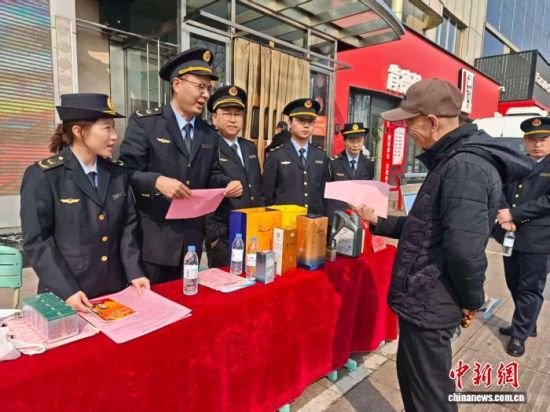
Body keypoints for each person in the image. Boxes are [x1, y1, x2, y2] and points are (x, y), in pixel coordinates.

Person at [354, 79, 531, 411]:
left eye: (410, 123)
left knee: (430, 399)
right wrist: (380, 221)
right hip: (426, 300)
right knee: (417, 387)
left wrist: (471, 301)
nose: (408, 132)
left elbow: (464, 251)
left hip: (431, 302)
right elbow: (426, 227)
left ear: (432, 122)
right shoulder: (453, 161)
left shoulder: (465, 167)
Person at [119, 48, 243, 284]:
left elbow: (212, 174)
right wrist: (156, 181)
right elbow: (124, 172)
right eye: (200, 87)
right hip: (154, 243)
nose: (206, 95)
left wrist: (228, 184)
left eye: (209, 89)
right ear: (177, 84)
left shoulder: (208, 133)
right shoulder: (147, 124)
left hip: (192, 243)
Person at [20, 93, 150, 312]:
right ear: (78, 131)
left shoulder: (116, 173)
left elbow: (127, 226)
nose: (114, 136)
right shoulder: (45, 176)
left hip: (113, 289)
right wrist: (66, 290)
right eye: (106, 128)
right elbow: (37, 241)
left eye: (114, 128)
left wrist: (134, 271)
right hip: (68, 293)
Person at [494, 116, 550, 357]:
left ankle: (519, 334)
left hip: (538, 239)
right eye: (532, 140)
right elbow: (500, 190)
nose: (537, 144)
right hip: (510, 235)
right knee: (514, 282)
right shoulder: (516, 163)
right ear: (525, 141)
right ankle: (528, 323)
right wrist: (505, 216)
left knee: (530, 288)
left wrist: (515, 214)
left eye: (543, 139)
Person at [205, 85, 264, 267]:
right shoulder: (208, 147)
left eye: (237, 114)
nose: (233, 119)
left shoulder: (249, 147)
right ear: (214, 117)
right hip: (224, 234)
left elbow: (257, 188)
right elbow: (203, 190)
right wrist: (213, 236)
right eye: (227, 114)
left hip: (253, 229)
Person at [262, 98, 328, 214]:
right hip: (286, 220)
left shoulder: (320, 156)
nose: (306, 126)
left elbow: (323, 193)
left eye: (310, 121)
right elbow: (267, 195)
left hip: (313, 219)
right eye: (301, 121)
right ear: (289, 122)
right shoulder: (276, 155)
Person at [326, 122, 375, 222]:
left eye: (359, 140)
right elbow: (327, 193)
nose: (356, 145)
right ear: (344, 141)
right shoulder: (333, 163)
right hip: (338, 217)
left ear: (363, 140)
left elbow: (369, 191)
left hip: (360, 217)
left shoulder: (369, 164)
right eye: (352, 141)